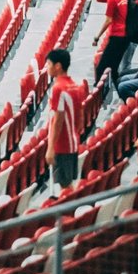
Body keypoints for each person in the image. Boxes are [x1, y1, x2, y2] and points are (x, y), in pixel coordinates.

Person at [46, 48, 83, 188]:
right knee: (67, 184)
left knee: (65, 186)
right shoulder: (74, 85)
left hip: (62, 145)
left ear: (58, 66)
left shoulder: (58, 88)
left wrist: (50, 148)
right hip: (72, 141)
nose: (47, 68)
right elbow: (81, 117)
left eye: (49, 64)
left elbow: (58, 120)